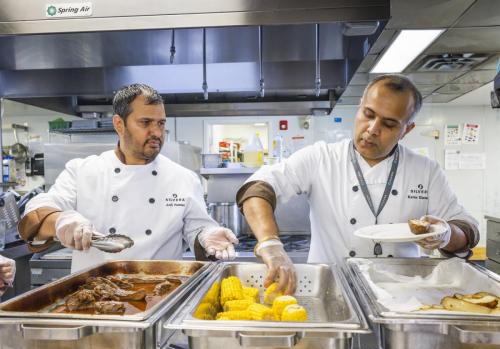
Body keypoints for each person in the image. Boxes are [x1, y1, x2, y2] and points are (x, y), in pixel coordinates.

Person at [237, 74, 479, 294]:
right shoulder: (321, 158)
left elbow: (467, 230)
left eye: (389, 124)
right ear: (359, 108)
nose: (372, 129)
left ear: (407, 129)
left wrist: (446, 235)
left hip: (404, 294)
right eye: (368, 114)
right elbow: (258, 187)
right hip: (332, 291)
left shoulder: (425, 170)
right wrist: (270, 244)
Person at [19, 83, 237, 271]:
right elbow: (36, 214)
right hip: (94, 298)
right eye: (145, 122)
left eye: (161, 123)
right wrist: (62, 222)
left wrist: (206, 235)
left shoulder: (184, 179)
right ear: (119, 124)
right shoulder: (84, 171)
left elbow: (197, 229)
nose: (157, 132)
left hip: (160, 296)